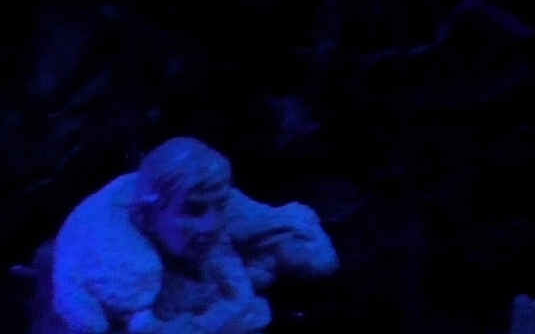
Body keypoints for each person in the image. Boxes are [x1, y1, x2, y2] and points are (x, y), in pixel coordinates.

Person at [41, 138, 336, 334]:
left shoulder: (217, 207)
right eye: (193, 211)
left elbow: (318, 257)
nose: (212, 225)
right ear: (148, 217)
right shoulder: (126, 261)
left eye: (219, 207)